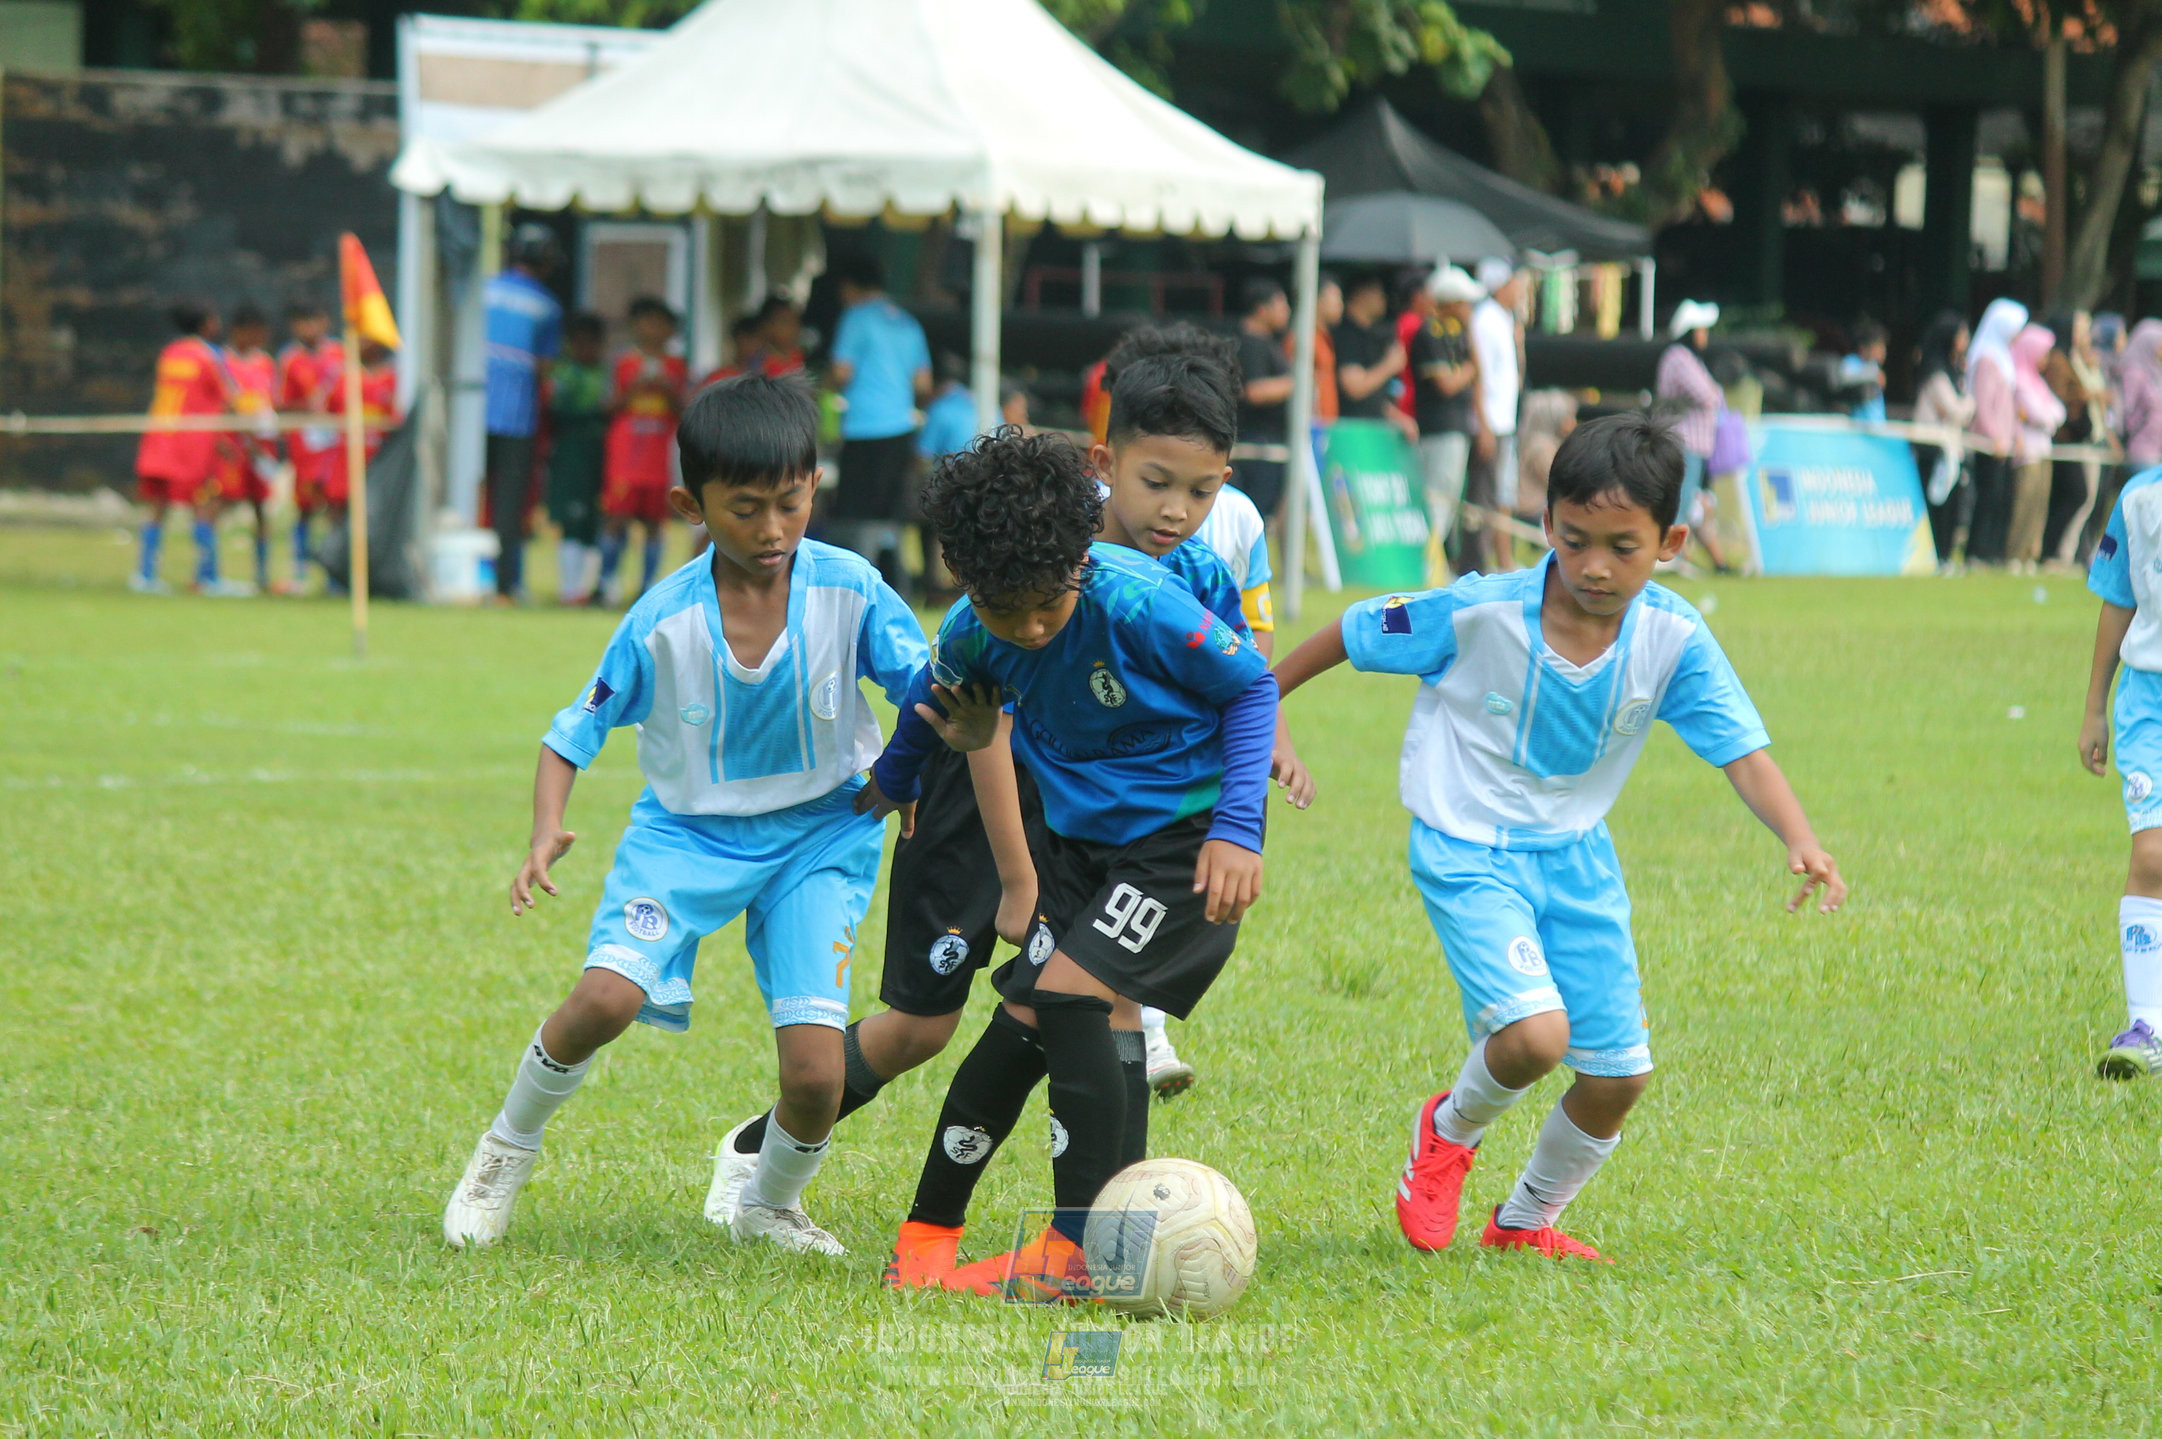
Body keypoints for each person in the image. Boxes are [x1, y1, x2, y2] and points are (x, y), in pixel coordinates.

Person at [1272, 411, 1845, 1263]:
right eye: (1574, 540)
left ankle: (1523, 1222)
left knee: (1618, 1077)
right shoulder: (1479, 610)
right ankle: (1447, 1135)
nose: (1593, 566)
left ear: (1672, 540)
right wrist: (1267, 709)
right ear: (1545, 525)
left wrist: (1800, 837)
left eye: (1622, 545)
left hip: (1578, 857)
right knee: (1535, 1038)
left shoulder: (1673, 639)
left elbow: (1742, 752)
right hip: (1466, 846)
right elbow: (1354, 632)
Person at [441, 373, 928, 1257]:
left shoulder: (851, 589)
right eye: (744, 509)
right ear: (688, 505)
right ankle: (504, 1150)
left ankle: (768, 1202)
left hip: (820, 836)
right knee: (604, 997)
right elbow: (570, 732)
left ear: (816, 484)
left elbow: (930, 695)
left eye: (790, 502)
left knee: (817, 1075)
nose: (772, 529)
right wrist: (546, 828)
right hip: (685, 836)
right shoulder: (662, 618)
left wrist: (911, 780)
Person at [861, 427, 1278, 1298]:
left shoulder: (1132, 601)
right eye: (1005, 610)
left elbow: (1250, 686)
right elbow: (928, 695)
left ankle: (1082, 1250)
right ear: (966, 582)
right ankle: (928, 1233)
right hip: (1080, 845)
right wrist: (891, 780)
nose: (1030, 626)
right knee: (1027, 1016)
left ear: (1079, 563)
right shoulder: (976, 628)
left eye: (1047, 604)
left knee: (1070, 993)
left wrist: (1239, 828)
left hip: (1180, 841)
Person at [2083, 461, 2162, 1078]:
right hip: (2149, 704)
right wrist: (2094, 710)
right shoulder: (2139, 497)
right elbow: (2117, 602)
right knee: (2152, 856)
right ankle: (2147, 1026)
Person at [827, 251, 932, 588]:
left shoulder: (855, 318)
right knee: (890, 517)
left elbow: (842, 371)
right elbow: (922, 383)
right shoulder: (907, 322)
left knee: (854, 514)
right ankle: (893, 585)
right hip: (900, 428)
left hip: (864, 427)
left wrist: (821, 385)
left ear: (848, 287)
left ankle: (851, 584)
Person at [133, 300, 237, 596]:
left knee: (156, 506)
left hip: (158, 437)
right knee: (204, 506)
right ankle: (207, 577)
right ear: (207, 324)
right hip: (191, 443)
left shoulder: (170, 353)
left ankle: (145, 575)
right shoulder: (209, 356)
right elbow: (230, 396)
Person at [483, 224, 564, 604]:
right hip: (518, 416)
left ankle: (470, 576)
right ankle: (503, 586)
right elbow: (546, 368)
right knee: (509, 503)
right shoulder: (548, 306)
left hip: (472, 410)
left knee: (470, 491)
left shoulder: (484, 290)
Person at [597, 296, 688, 604]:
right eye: (647, 321)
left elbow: (685, 410)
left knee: (654, 522)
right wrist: (633, 389)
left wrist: (667, 389)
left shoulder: (676, 366)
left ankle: (647, 586)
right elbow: (607, 406)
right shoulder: (622, 362)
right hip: (625, 455)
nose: (653, 329)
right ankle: (606, 582)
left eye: (661, 323)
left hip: (657, 458)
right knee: (616, 517)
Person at [1410, 266, 1483, 579]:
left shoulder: (1456, 333)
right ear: (1450, 302)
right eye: (1464, 302)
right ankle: (1427, 567)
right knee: (1438, 495)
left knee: (1449, 497)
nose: (1468, 309)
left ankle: (1435, 563)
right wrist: (1468, 370)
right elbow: (1447, 383)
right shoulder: (1429, 334)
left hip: (1455, 427)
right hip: (1439, 427)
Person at [276, 300, 342, 593]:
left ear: (324, 321)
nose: (305, 329)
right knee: (304, 507)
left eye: (311, 321)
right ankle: (300, 570)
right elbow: (280, 404)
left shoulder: (341, 355)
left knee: (335, 508)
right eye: (299, 323)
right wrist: (306, 407)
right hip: (305, 446)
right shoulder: (290, 359)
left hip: (336, 445)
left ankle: (334, 574)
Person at [546, 313, 610, 605]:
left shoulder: (606, 374)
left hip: (602, 455)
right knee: (572, 520)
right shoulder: (565, 374)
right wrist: (598, 412)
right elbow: (557, 412)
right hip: (572, 455)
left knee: (595, 520)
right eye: (579, 342)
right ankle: (569, 588)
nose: (587, 349)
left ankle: (594, 586)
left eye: (592, 343)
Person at [217, 304, 279, 595]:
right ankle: (208, 572)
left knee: (261, 509)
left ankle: (262, 575)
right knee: (217, 504)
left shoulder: (265, 363)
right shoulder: (221, 361)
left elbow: (270, 402)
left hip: (260, 447)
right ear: (239, 332)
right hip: (231, 446)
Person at [1469, 258, 1526, 573]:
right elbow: (1481, 375)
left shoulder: (1504, 319)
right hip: (1492, 421)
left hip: (1506, 420)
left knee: (1503, 492)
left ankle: (1503, 560)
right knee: (1485, 495)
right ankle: (1476, 561)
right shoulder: (1484, 320)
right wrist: (1484, 424)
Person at [1965, 298, 2030, 566]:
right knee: (1987, 496)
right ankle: (1976, 551)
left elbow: (2009, 405)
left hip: (2004, 441)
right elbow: (1983, 404)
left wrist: (2016, 434)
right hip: (1987, 442)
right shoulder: (1985, 358)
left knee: (2002, 496)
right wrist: (1995, 437)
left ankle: (1994, 552)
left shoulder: (2004, 358)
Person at [1911, 311, 1975, 572]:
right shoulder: (1935, 371)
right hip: (1932, 447)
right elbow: (1954, 409)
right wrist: (1971, 403)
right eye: (1961, 334)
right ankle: (1937, 556)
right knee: (1938, 503)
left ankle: (1948, 556)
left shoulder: (1955, 369)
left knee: (1954, 501)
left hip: (1949, 447)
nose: (1965, 339)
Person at [2043, 310, 2108, 568]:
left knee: (2086, 497)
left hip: (2082, 438)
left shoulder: (2078, 359)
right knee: (2076, 494)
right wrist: (2083, 396)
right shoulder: (2059, 361)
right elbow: (2063, 396)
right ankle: (2058, 552)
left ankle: (2069, 552)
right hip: (2067, 440)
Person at [1654, 300, 1723, 532]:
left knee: (1689, 502)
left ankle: (1676, 552)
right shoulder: (1679, 357)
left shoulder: (1690, 359)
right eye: (1701, 330)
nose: (1705, 335)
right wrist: (1714, 392)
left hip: (1695, 444)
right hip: (1684, 441)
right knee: (1680, 502)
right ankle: (1669, 551)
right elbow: (1708, 396)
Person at [1232, 278, 1295, 521]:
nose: (1286, 312)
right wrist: (1295, 383)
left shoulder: (1266, 343)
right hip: (1259, 448)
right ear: (1261, 309)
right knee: (1257, 516)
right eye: (1281, 305)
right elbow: (1254, 391)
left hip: (1267, 445)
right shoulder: (1252, 344)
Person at [2007, 323, 2066, 571]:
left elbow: (2057, 412)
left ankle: (2030, 553)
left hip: (2043, 449)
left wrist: (2045, 418)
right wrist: (2045, 418)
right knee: (2024, 503)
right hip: (2026, 451)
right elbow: (2036, 413)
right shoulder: (2018, 378)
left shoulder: (2036, 381)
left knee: (2040, 504)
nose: (2045, 359)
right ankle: (2014, 555)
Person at [1334, 273, 1410, 430]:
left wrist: (1396, 416)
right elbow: (1354, 387)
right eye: (1378, 292)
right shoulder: (1346, 334)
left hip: (1374, 428)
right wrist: (1389, 366)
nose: (1383, 299)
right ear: (1361, 294)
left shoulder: (1370, 335)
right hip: (1352, 429)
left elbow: (1374, 395)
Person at [1839, 319, 1889, 422]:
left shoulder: (1874, 367)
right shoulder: (1851, 362)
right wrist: (1873, 376)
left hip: (1877, 427)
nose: (1883, 352)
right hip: (1858, 429)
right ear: (1863, 348)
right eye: (1878, 347)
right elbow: (1845, 378)